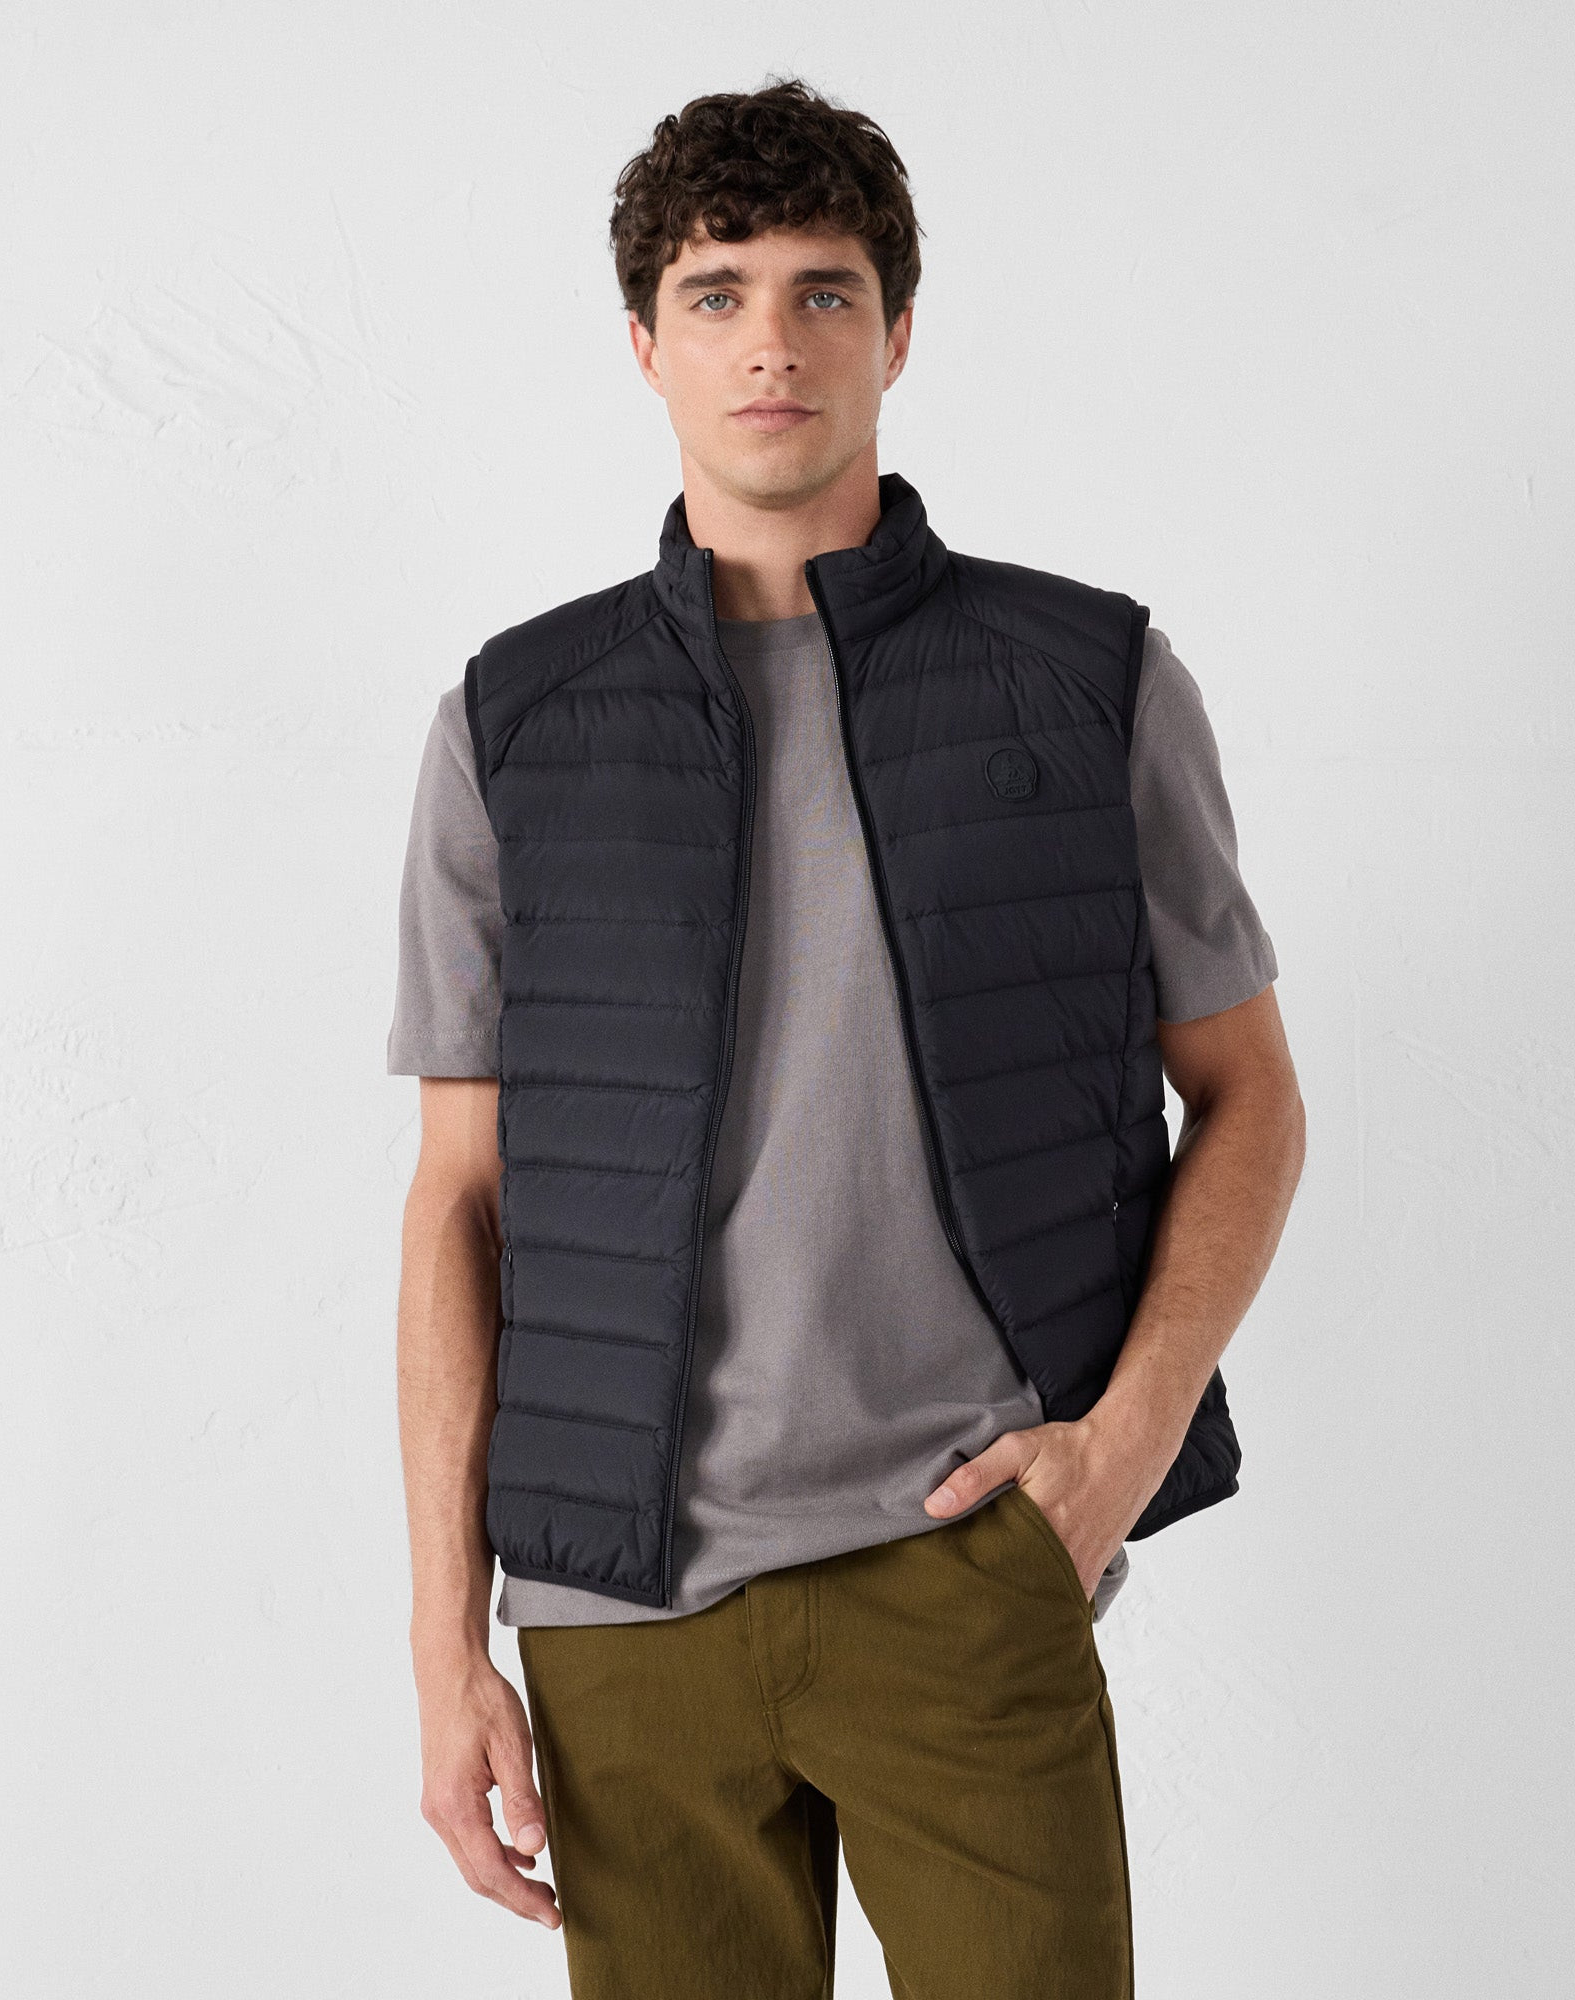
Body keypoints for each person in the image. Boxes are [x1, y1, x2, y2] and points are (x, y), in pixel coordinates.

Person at [389, 76, 1306, 1999]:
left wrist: (1118, 1455)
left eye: (824, 291)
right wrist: (443, 1642)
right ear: (643, 344)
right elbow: (458, 1203)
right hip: (621, 1611)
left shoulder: (1088, 681)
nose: (772, 344)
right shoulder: (515, 725)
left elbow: (1248, 1097)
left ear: (898, 333)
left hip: (965, 1567)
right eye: (716, 294)